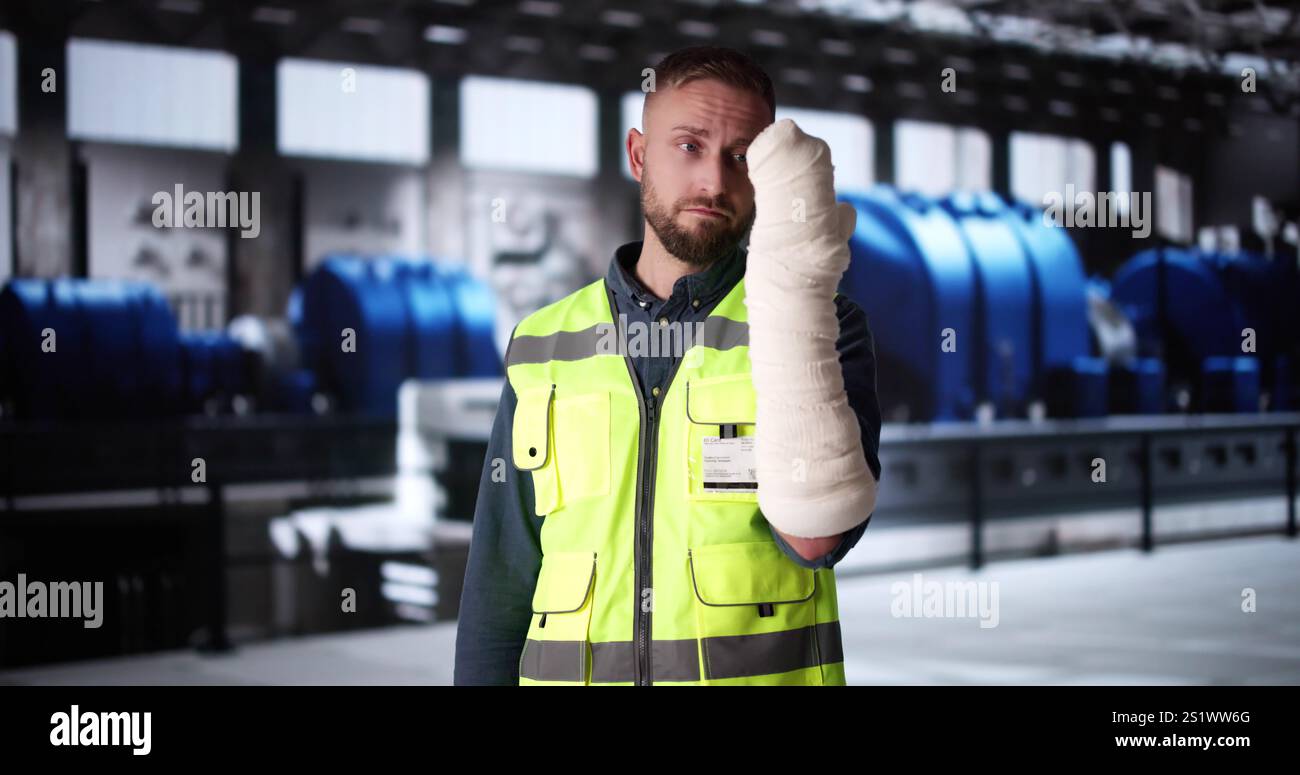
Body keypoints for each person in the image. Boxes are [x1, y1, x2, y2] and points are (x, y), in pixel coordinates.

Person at [454, 45, 882, 685]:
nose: (715, 181)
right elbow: (500, 580)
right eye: (688, 145)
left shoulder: (821, 325)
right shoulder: (542, 344)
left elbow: (818, 540)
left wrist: (797, 289)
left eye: (742, 156)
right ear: (637, 155)